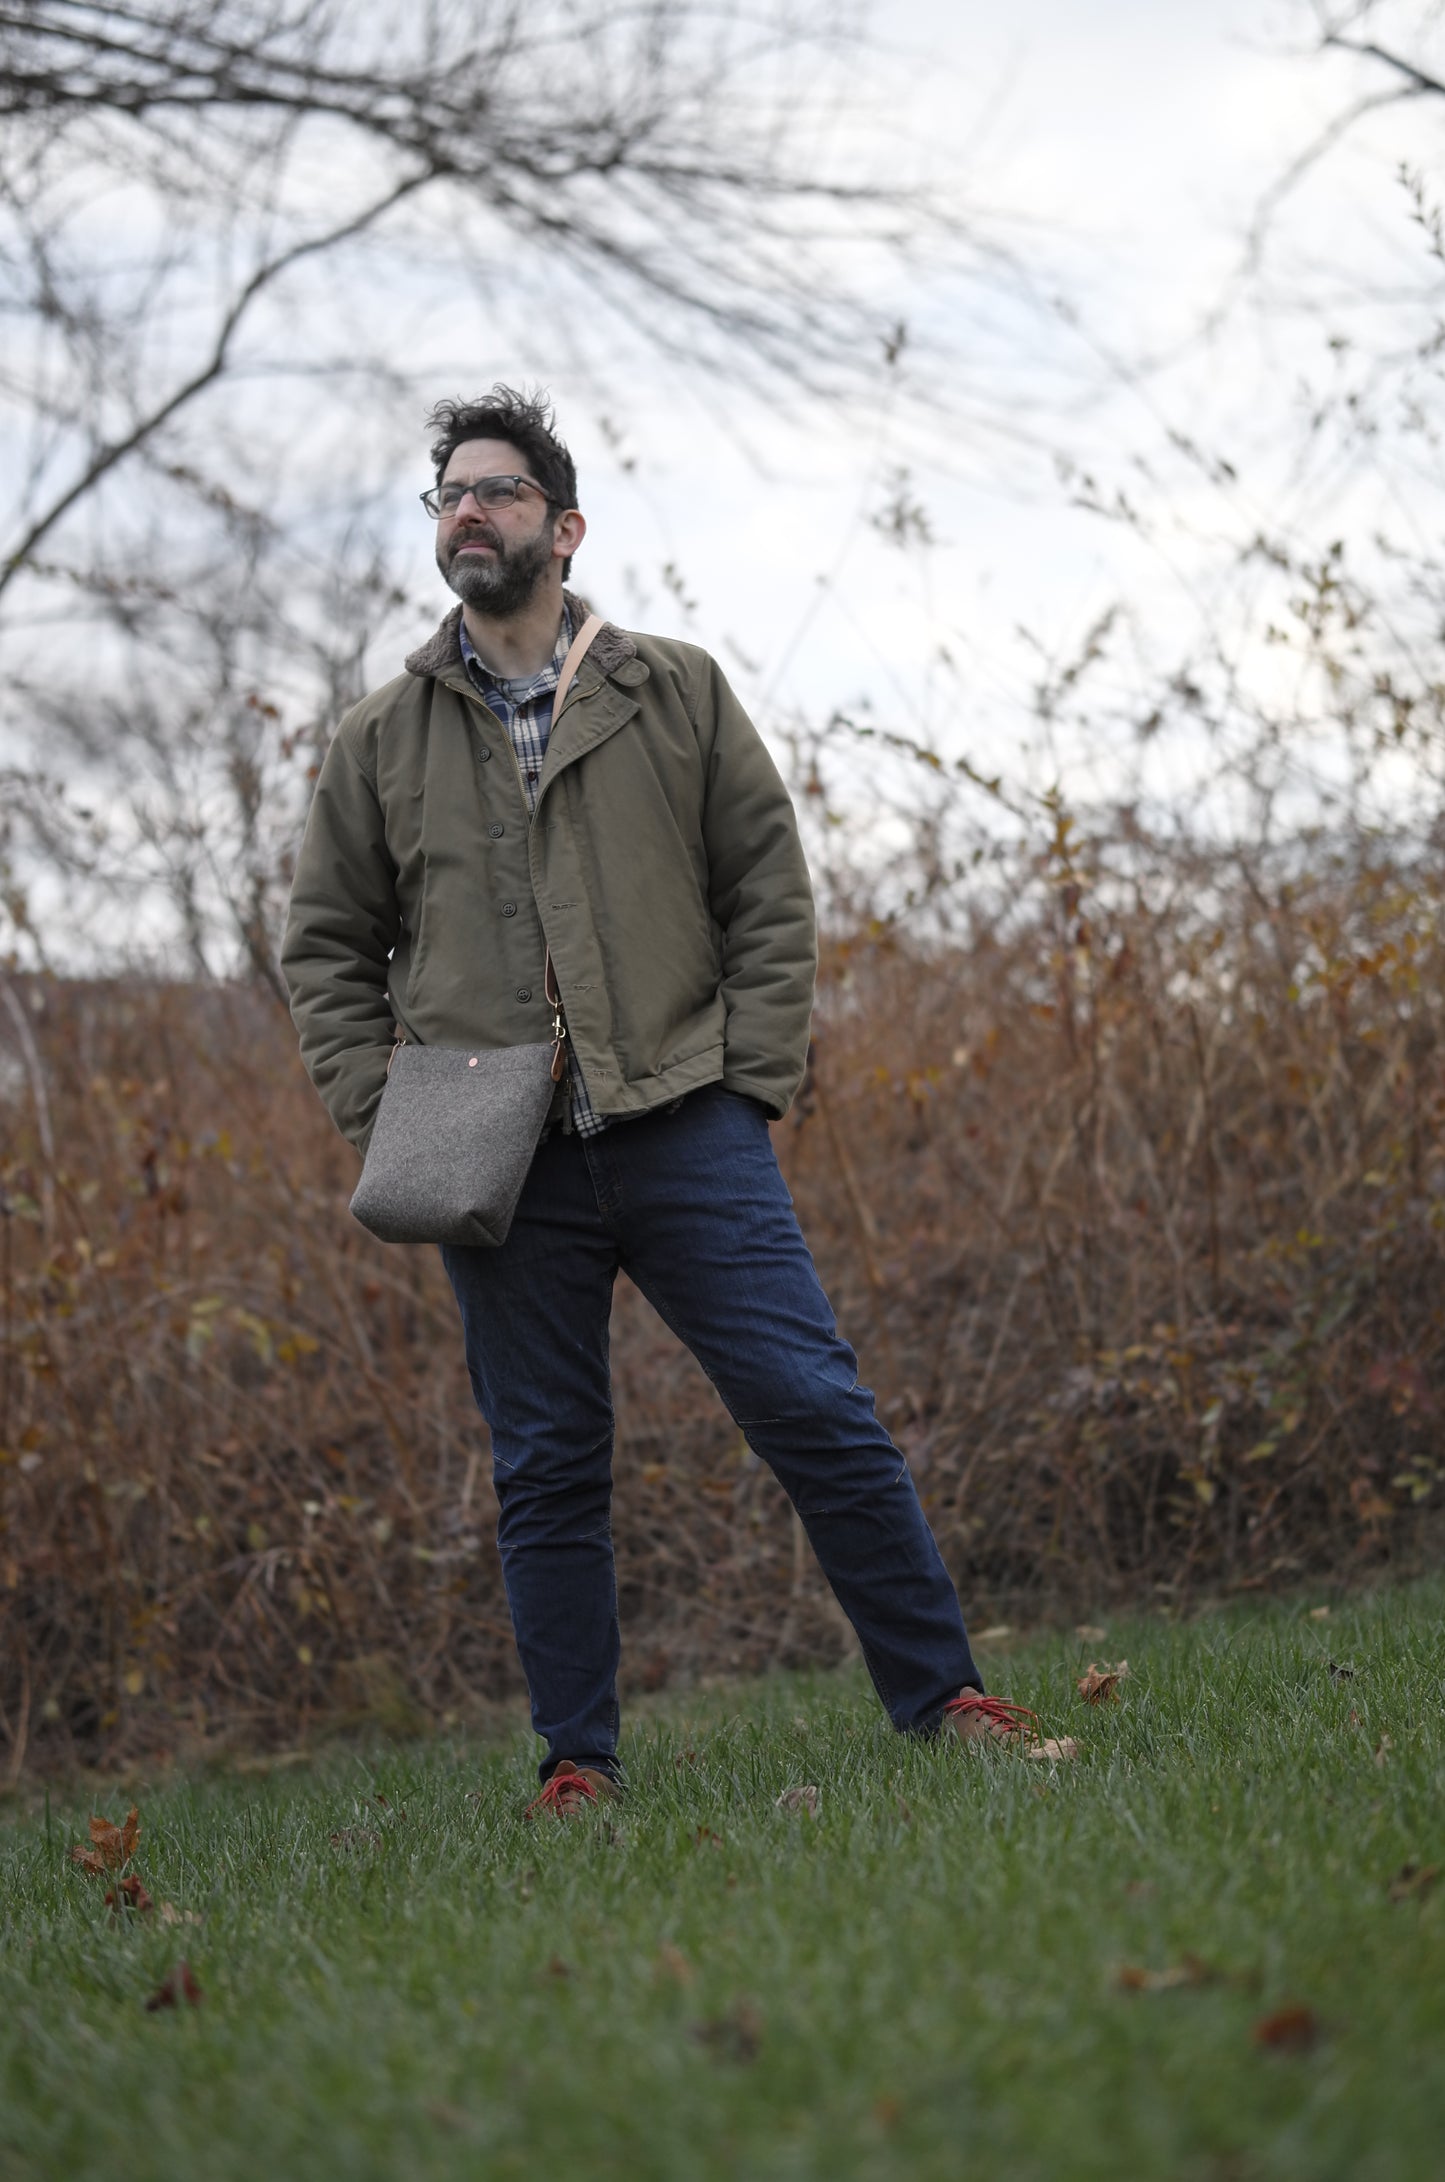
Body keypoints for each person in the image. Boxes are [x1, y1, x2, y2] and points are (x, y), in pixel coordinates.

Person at [281, 386, 1076, 1814]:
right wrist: (385, 1116)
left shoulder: (676, 690)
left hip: (686, 1118)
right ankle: (577, 1765)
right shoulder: (380, 740)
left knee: (812, 1407)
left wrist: (751, 1076)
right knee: (546, 1470)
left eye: (499, 490)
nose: (468, 510)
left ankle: (944, 1696)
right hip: (492, 1159)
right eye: (449, 494)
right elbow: (326, 950)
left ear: (564, 526)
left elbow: (765, 891)